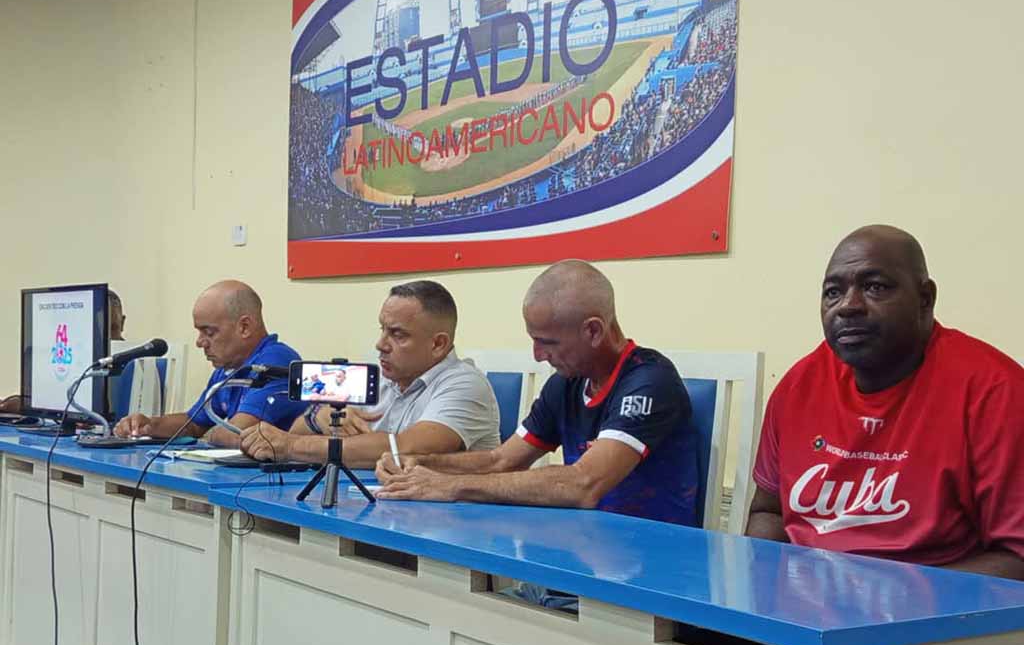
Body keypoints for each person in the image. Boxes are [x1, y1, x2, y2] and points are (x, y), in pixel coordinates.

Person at [746, 225, 1024, 579]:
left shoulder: (997, 393)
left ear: (925, 299)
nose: (848, 306)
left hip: (930, 618)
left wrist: (893, 604)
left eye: (875, 287)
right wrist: (764, 589)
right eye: (833, 292)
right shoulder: (796, 387)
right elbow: (768, 512)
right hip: (801, 614)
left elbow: (1017, 559)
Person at [374, 260, 700, 527]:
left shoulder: (650, 382)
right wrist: (422, 464)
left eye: (547, 342)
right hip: (582, 552)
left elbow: (583, 484)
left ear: (594, 331)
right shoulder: (567, 382)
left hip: (646, 569)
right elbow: (501, 460)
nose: (537, 355)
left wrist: (450, 485)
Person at [240, 280, 500, 469]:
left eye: (398, 334)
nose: (381, 344)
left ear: (438, 345)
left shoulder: (465, 383)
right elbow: (296, 430)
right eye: (382, 330)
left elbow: (407, 448)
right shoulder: (382, 376)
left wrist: (290, 446)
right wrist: (317, 419)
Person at [113, 280, 305, 445]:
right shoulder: (230, 365)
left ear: (244, 327)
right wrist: (149, 425)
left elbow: (238, 434)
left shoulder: (277, 362)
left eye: (209, 332)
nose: (199, 342)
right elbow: (194, 423)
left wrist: (210, 435)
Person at [1, 288, 126, 414]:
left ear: (123, 324)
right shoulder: (59, 360)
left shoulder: (135, 365)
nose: (104, 338)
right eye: (96, 330)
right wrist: (23, 405)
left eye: (112, 328)